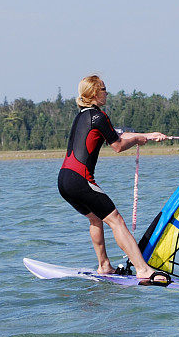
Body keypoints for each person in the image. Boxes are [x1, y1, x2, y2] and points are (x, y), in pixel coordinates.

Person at [58, 74, 169, 283]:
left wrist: (149, 135)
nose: (106, 93)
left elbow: (116, 136)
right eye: (103, 89)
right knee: (115, 220)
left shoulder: (83, 116)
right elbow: (118, 145)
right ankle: (143, 270)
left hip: (64, 180)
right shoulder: (99, 116)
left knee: (95, 218)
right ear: (93, 93)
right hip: (81, 180)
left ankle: (104, 266)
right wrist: (137, 139)